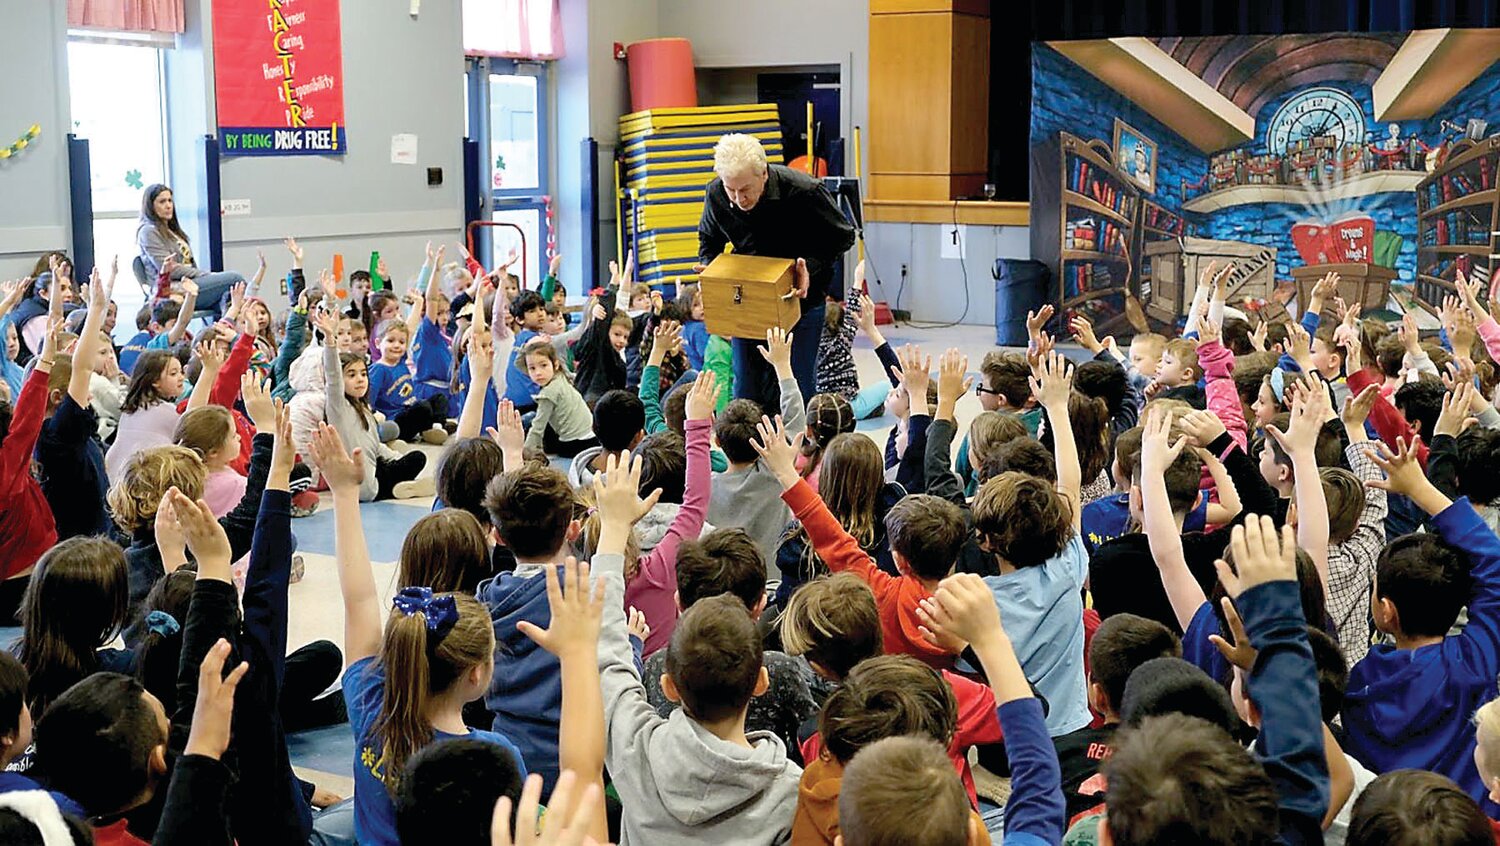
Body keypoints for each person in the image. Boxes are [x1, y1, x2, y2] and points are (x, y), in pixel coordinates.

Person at [311, 423, 525, 846]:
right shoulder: (495, 756)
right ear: (477, 674)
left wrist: (343, 494)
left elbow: (359, 600)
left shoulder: (370, 701)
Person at [589, 453, 804, 844]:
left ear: (670, 686)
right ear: (760, 682)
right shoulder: (790, 791)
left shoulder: (636, 750)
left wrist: (613, 530)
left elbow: (606, 648)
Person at [696, 133, 855, 407]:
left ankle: (795, 449)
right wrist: (711, 273)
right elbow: (708, 241)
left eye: (745, 189)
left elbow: (843, 236)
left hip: (801, 302)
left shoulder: (806, 191)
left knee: (796, 387)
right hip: (748, 302)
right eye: (730, 189)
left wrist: (810, 268)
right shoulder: (717, 194)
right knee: (746, 389)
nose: (737, 199)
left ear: (764, 174)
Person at [135, 184, 244, 317]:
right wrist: (204, 275)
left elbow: (188, 262)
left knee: (229, 298)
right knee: (235, 279)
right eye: (162, 202)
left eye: (170, 201)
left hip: (189, 282)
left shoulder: (172, 230)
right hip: (171, 289)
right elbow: (170, 269)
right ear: (151, 206)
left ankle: (226, 334)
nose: (168, 205)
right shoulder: (148, 231)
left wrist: (203, 276)